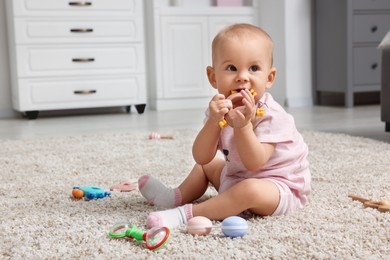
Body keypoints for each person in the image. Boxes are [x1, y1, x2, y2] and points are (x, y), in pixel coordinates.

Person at [138, 23, 311, 228]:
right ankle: (173, 197)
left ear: (269, 78)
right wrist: (213, 122)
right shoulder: (219, 109)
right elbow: (202, 157)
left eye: (254, 68)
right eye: (231, 68)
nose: (242, 77)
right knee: (206, 166)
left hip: (278, 187)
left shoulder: (273, 115)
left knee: (249, 190)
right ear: (213, 77)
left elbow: (254, 163)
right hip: (237, 177)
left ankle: (186, 214)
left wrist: (243, 126)